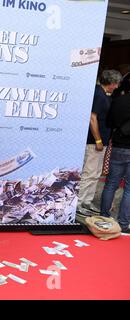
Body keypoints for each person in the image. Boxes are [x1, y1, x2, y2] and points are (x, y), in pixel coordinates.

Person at [77, 70, 122, 215]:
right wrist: (98, 140)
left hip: (100, 142)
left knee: (95, 173)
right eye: (116, 84)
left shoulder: (102, 94)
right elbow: (92, 118)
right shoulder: (98, 94)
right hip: (94, 142)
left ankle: (87, 202)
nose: (117, 87)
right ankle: (79, 203)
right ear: (111, 82)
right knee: (89, 172)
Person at [100, 87, 130, 234]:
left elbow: (109, 122)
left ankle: (104, 218)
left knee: (111, 184)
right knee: (129, 189)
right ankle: (123, 224)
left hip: (118, 146)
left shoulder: (119, 101)